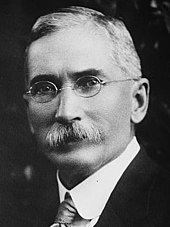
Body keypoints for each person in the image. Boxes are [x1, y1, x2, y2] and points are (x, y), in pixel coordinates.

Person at [23, 6, 170, 226]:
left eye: (89, 83)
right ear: (28, 113)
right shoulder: (18, 214)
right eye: (44, 89)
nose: (66, 112)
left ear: (137, 101)